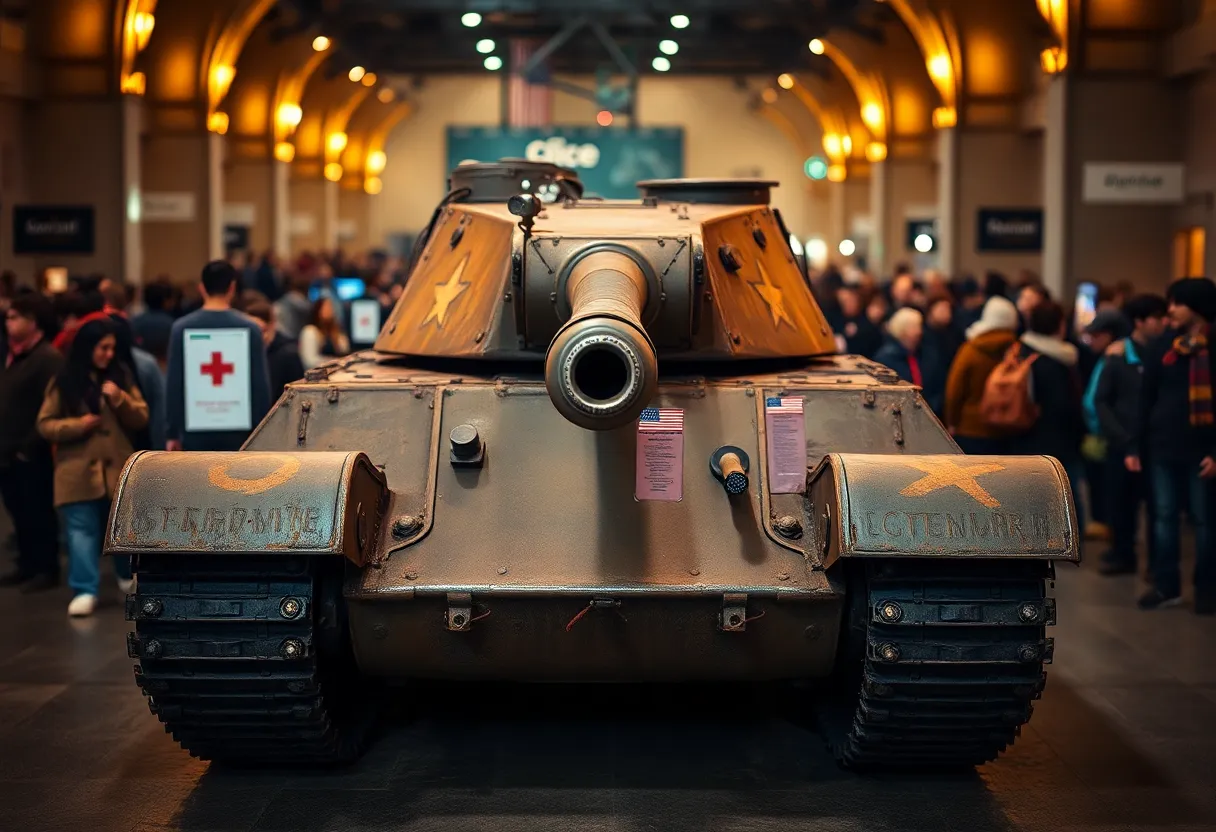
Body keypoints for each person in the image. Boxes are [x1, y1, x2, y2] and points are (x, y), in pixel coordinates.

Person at [37, 318, 148, 617]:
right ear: (88, 348)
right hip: (76, 470)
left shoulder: (120, 377)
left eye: (112, 348)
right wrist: (77, 425)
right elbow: (45, 424)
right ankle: (85, 589)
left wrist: (120, 399)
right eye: (103, 348)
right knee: (80, 531)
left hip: (116, 470)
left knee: (122, 530)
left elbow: (141, 416)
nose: (109, 354)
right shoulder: (63, 381)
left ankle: (127, 576)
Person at [1128, 278, 1216, 614]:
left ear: (1197, 306)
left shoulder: (1212, 345)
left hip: (1202, 449)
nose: (1171, 310)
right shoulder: (1164, 346)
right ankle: (1166, 585)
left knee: (1205, 520)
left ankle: (1207, 589)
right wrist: (1135, 446)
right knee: (1163, 517)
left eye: (1177, 302)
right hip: (1162, 446)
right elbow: (1146, 398)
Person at [1093, 294, 1168, 576]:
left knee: (1158, 508)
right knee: (1121, 504)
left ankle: (1157, 565)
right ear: (1140, 321)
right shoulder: (1119, 357)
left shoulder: (1164, 353)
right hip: (1122, 442)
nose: (1163, 322)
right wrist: (1120, 437)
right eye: (1157, 317)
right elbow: (1102, 400)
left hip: (1153, 442)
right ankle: (1124, 555)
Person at [165, 261, 272, 452]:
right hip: (241, 433)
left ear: (201, 288)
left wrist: (172, 432)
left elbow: (174, 384)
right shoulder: (251, 329)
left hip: (194, 433)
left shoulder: (181, 329)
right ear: (232, 287)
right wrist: (263, 432)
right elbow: (260, 386)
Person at [0, 293, 64, 591]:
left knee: (37, 510)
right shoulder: (16, 355)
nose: (8, 322)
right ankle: (27, 564)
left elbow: (51, 406)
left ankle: (44, 568)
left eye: (14, 317)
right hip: (9, 451)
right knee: (18, 510)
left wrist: (28, 447)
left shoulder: (47, 358)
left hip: (31, 451)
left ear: (33, 321)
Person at [1012, 301, 1087, 531]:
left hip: (1025, 430)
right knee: (1065, 486)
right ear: (1060, 326)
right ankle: (1072, 533)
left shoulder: (1020, 351)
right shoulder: (1060, 359)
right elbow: (1064, 405)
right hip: (1057, 434)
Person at [943, 296, 1020, 454]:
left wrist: (951, 421)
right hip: (1006, 428)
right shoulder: (1016, 351)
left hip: (970, 429)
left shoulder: (971, 349)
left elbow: (954, 391)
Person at [875, 307, 944, 412]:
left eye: (919, 326)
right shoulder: (885, 358)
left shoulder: (928, 354)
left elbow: (937, 385)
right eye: (913, 327)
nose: (919, 331)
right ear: (901, 330)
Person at [244, 294, 305, 400]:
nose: (255, 336)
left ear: (271, 325)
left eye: (260, 331)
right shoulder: (246, 353)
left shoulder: (289, 354)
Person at [299, 297, 350, 370]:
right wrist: (333, 361)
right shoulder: (310, 331)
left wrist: (337, 335)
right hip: (316, 376)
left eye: (331, 307)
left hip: (336, 372)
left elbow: (345, 351)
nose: (330, 310)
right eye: (326, 307)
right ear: (318, 310)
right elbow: (310, 361)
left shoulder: (334, 331)